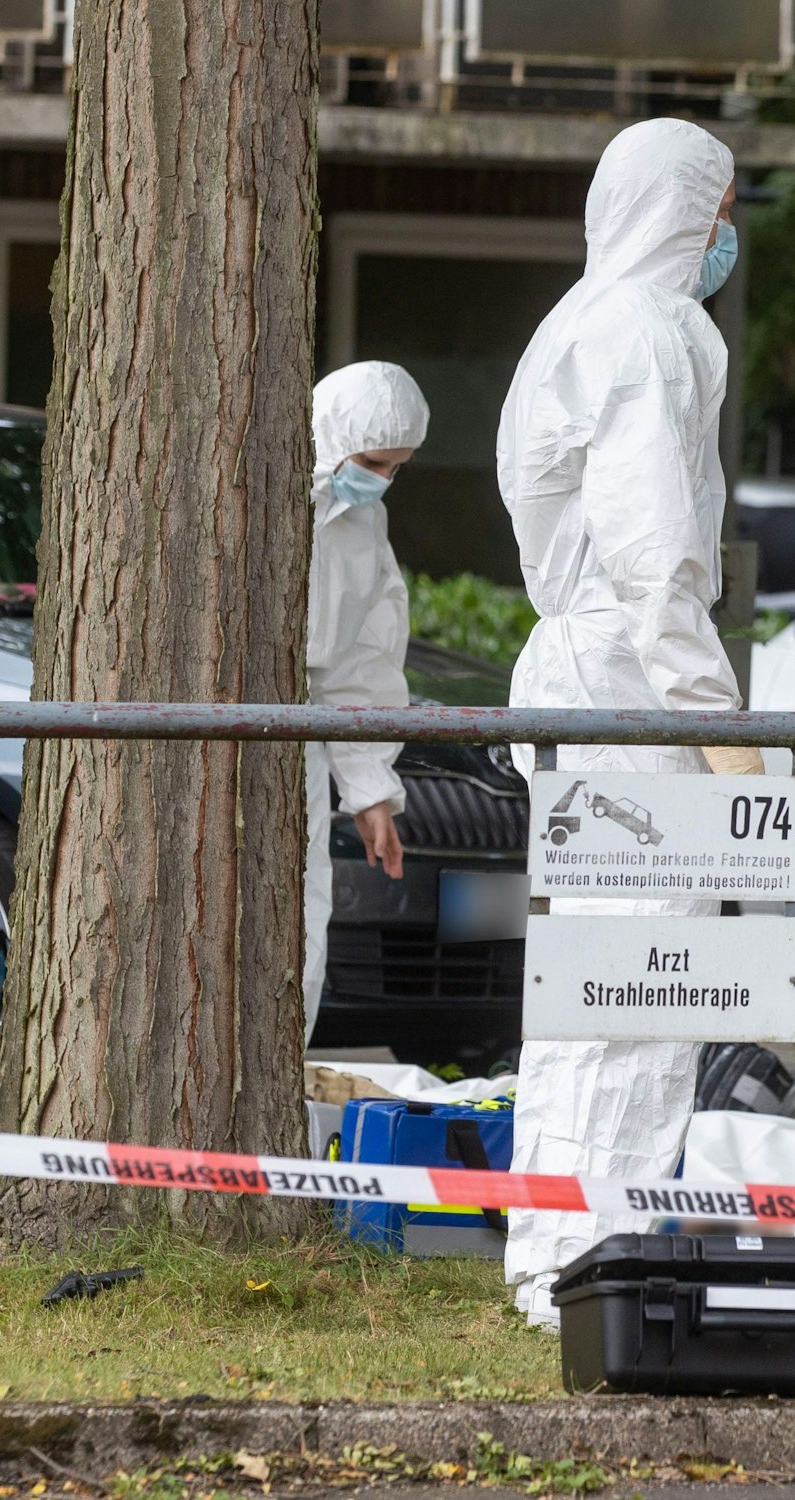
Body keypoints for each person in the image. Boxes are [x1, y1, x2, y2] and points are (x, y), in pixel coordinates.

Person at [496, 117, 761, 1325]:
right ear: (684, 208)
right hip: (633, 694)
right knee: (644, 992)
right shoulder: (656, 335)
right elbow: (659, 564)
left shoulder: (573, 320)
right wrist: (724, 730)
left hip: (581, 677)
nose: (725, 238)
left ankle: (553, 1253)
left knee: (583, 997)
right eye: (719, 210)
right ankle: (597, 1262)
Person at [303, 361, 430, 1043]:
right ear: (330, 438)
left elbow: (360, 664)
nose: (384, 479)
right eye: (375, 461)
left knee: (296, 921)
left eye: (398, 467)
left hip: (295, 745)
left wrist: (371, 788)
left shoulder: (363, 524)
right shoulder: (259, 497)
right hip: (208, 736)